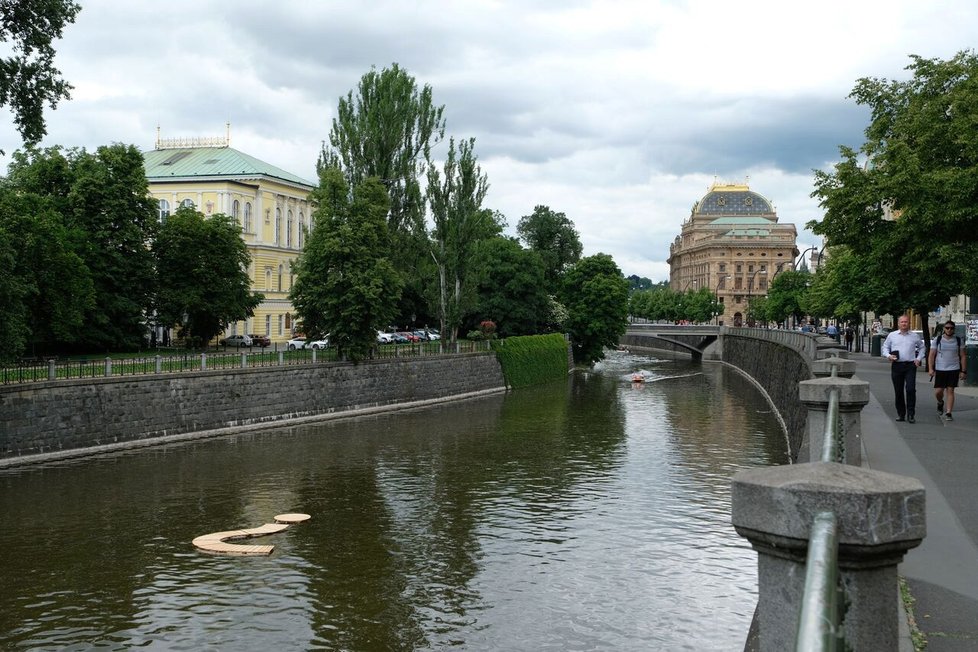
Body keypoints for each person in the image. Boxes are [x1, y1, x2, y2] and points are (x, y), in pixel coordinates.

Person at [881, 315, 924, 423]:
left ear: (909, 323)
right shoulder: (892, 335)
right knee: (898, 391)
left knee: (910, 389)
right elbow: (885, 347)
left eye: (906, 322)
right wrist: (888, 356)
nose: (904, 324)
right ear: (899, 323)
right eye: (902, 322)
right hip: (897, 365)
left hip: (910, 365)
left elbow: (922, 347)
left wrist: (918, 358)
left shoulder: (914, 336)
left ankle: (911, 414)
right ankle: (901, 414)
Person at [927, 320, 967, 421]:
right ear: (944, 329)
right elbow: (931, 355)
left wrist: (963, 371)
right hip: (940, 369)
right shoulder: (938, 339)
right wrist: (931, 368)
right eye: (947, 328)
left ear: (954, 329)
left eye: (951, 328)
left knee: (950, 390)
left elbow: (963, 356)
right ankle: (940, 402)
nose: (949, 330)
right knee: (938, 392)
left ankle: (949, 413)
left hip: (954, 369)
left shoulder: (958, 340)